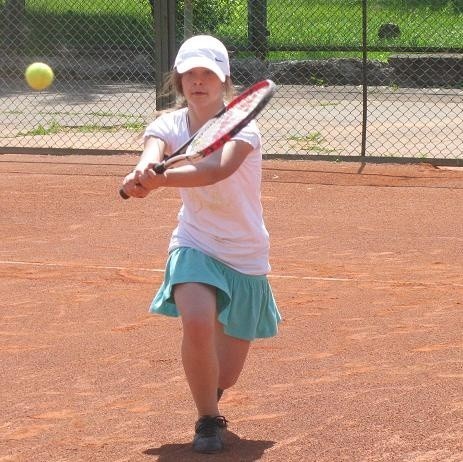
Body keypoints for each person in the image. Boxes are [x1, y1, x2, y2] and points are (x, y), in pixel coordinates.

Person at [121, 35, 281, 454]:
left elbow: (215, 169)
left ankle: (213, 393)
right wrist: (141, 173)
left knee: (224, 375)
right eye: (189, 72)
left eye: (207, 72)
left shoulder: (245, 126)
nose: (197, 80)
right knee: (195, 318)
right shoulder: (168, 125)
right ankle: (208, 419)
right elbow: (150, 152)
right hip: (195, 241)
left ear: (224, 79)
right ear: (177, 78)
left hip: (245, 252)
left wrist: (162, 180)